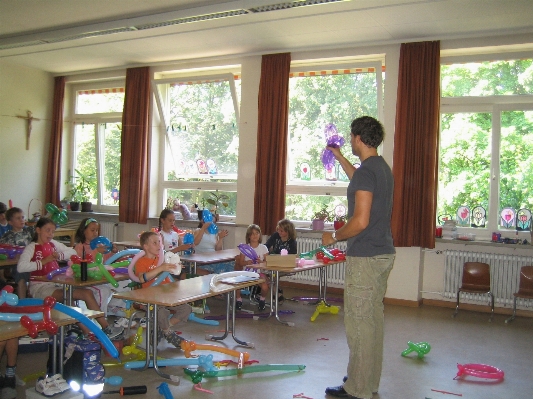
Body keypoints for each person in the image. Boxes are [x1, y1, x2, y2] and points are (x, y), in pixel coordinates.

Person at [321, 116, 395, 399]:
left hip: (365, 257)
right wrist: (339, 157)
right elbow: (358, 179)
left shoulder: (368, 171)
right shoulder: (379, 168)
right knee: (372, 322)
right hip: (382, 254)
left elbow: (360, 220)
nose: (349, 141)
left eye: (351, 138)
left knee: (359, 324)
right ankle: (368, 381)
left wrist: (335, 236)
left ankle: (357, 388)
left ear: (359, 139)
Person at [17, 217, 123, 340]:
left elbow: (71, 252)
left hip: (56, 284)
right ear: (38, 230)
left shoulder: (53, 244)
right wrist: (44, 261)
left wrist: (60, 256)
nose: (51, 234)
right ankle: (89, 334)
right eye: (47, 230)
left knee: (87, 293)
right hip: (40, 286)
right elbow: (21, 267)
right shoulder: (32, 247)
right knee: (69, 300)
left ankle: (105, 327)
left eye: (52, 231)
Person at [134, 231, 191, 348]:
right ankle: (168, 333)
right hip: (150, 298)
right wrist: (160, 268)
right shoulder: (141, 262)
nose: (159, 245)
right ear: (145, 246)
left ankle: (163, 329)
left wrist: (176, 267)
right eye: (155, 243)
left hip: (166, 295)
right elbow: (142, 279)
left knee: (186, 308)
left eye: (159, 242)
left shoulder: (163, 259)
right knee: (161, 312)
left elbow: (171, 274)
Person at [73, 217, 126, 327]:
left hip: (102, 277)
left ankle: (114, 308)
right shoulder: (80, 247)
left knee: (125, 284)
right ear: (83, 231)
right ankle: (101, 320)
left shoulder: (100, 245)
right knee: (104, 291)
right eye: (92, 230)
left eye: (97, 230)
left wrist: (114, 252)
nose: (95, 233)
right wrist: (96, 251)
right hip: (88, 281)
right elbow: (83, 262)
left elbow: (109, 261)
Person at [0, 207, 34, 298]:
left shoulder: (29, 232)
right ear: (10, 222)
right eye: (18, 218)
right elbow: (4, 254)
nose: (22, 220)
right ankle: (22, 302)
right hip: (16, 265)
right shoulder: (7, 237)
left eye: (22, 217)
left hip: (31, 262)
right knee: (21, 275)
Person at [234, 224, 269, 311]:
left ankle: (262, 300)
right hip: (246, 273)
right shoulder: (245, 248)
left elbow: (267, 262)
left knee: (265, 286)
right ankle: (238, 300)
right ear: (249, 236)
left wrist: (260, 262)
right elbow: (241, 262)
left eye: (257, 233)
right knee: (235, 284)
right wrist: (247, 262)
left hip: (258, 273)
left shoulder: (263, 248)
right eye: (252, 234)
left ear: (260, 235)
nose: (255, 235)